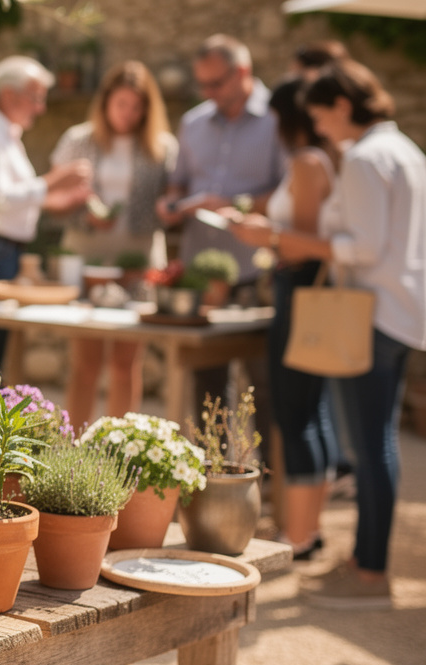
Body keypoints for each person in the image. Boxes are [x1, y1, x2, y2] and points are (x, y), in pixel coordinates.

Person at [228, 60, 426, 609]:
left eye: (320, 113)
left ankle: (369, 574)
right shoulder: (405, 149)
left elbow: (360, 249)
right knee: (375, 442)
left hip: (372, 311)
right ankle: (366, 563)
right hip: (400, 310)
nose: (317, 126)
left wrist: (276, 235)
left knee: (370, 446)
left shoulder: (365, 157)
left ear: (342, 104)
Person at [155, 34, 285, 449]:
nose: (209, 93)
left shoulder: (278, 120)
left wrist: (231, 204)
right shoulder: (193, 122)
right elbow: (178, 181)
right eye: (203, 85)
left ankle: (267, 485)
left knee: (263, 382)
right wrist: (173, 202)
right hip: (201, 268)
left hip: (255, 268)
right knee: (209, 384)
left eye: (216, 84)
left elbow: (289, 193)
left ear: (243, 72)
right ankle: (216, 478)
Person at [50, 61, 177, 428]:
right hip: (87, 256)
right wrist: (83, 212)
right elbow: (53, 198)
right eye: (122, 104)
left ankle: (119, 452)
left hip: (137, 258)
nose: (129, 114)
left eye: (137, 107)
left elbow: (174, 196)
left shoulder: (162, 146)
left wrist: (168, 206)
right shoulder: (78, 139)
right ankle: (71, 447)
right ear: (105, 102)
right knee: (86, 363)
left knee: (125, 363)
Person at [0, 55, 91, 379]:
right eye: (36, 98)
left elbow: (17, 199)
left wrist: (64, 200)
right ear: (10, 95)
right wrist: (55, 181)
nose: (40, 108)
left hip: (0, 249)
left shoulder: (4, 134)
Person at [253, 77, 342, 561]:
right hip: (303, 288)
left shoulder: (309, 162)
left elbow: (301, 243)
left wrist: (263, 237)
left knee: (296, 411)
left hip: (302, 290)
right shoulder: (313, 160)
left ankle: (300, 534)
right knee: (312, 409)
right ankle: (309, 528)